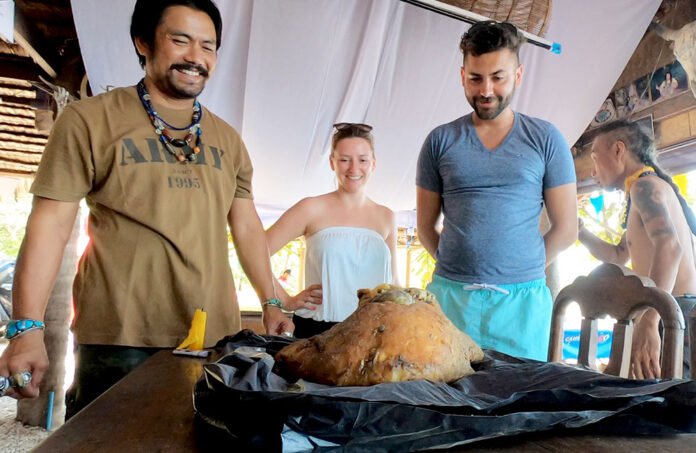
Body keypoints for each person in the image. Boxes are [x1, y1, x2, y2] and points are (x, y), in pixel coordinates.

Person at [0, 0, 291, 416]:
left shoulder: (228, 140)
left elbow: (245, 225)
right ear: (143, 43)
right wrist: (26, 327)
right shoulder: (89, 121)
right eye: (180, 40)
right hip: (120, 336)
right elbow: (49, 226)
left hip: (217, 336)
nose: (196, 57)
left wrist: (272, 301)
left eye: (208, 46)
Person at [416, 21, 577, 361]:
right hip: (451, 300)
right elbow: (425, 227)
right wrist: (457, 267)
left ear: (518, 75)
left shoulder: (547, 139)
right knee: (446, 401)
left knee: (515, 404)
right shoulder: (438, 141)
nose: (486, 90)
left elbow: (566, 228)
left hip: (523, 305)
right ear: (462, 76)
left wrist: (522, 268)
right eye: (475, 78)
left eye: (498, 77)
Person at [578, 119, 696, 379]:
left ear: (619, 150)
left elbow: (670, 247)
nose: (593, 172)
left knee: (672, 412)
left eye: (596, 158)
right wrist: (581, 233)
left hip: (674, 312)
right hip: (669, 310)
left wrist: (652, 319)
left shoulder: (645, 187)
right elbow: (619, 255)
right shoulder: (640, 190)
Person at [265, 123, 398, 338]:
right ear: (332, 162)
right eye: (345, 160)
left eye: (362, 160)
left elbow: (394, 284)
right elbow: (255, 253)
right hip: (317, 331)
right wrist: (283, 300)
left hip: (373, 332)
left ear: (373, 164)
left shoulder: (386, 216)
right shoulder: (310, 208)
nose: (354, 169)